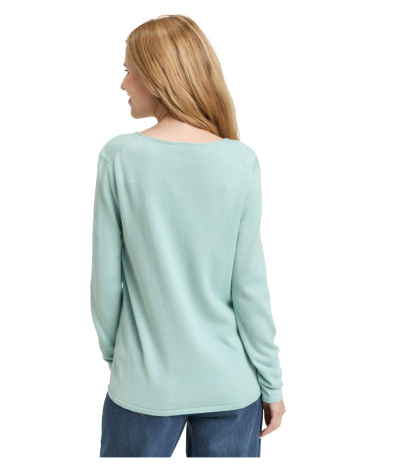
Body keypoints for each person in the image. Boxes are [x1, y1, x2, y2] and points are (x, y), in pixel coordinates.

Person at [90, 14, 286, 458]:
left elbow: (104, 286)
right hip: (231, 385)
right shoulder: (239, 161)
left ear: (157, 75)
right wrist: (271, 382)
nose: (123, 84)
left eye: (128, 70)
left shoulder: (119, 158)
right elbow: (250, 290)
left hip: (142, 385)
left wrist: (123, 361)